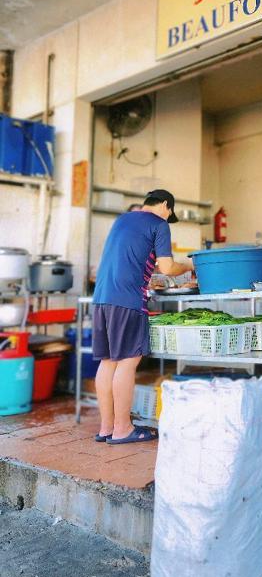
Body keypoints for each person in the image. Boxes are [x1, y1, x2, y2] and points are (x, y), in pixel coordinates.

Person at [92, 189, 193, 444]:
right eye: (169, 214)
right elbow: (168, 267)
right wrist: (192, 266)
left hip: (102, 298)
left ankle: (107, 428)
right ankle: (123, 428)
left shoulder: (122, 219)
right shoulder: (159, 224)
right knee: (127, 361)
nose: (168, 218)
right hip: (127, 301)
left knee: (108, 361)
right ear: (166, 206)